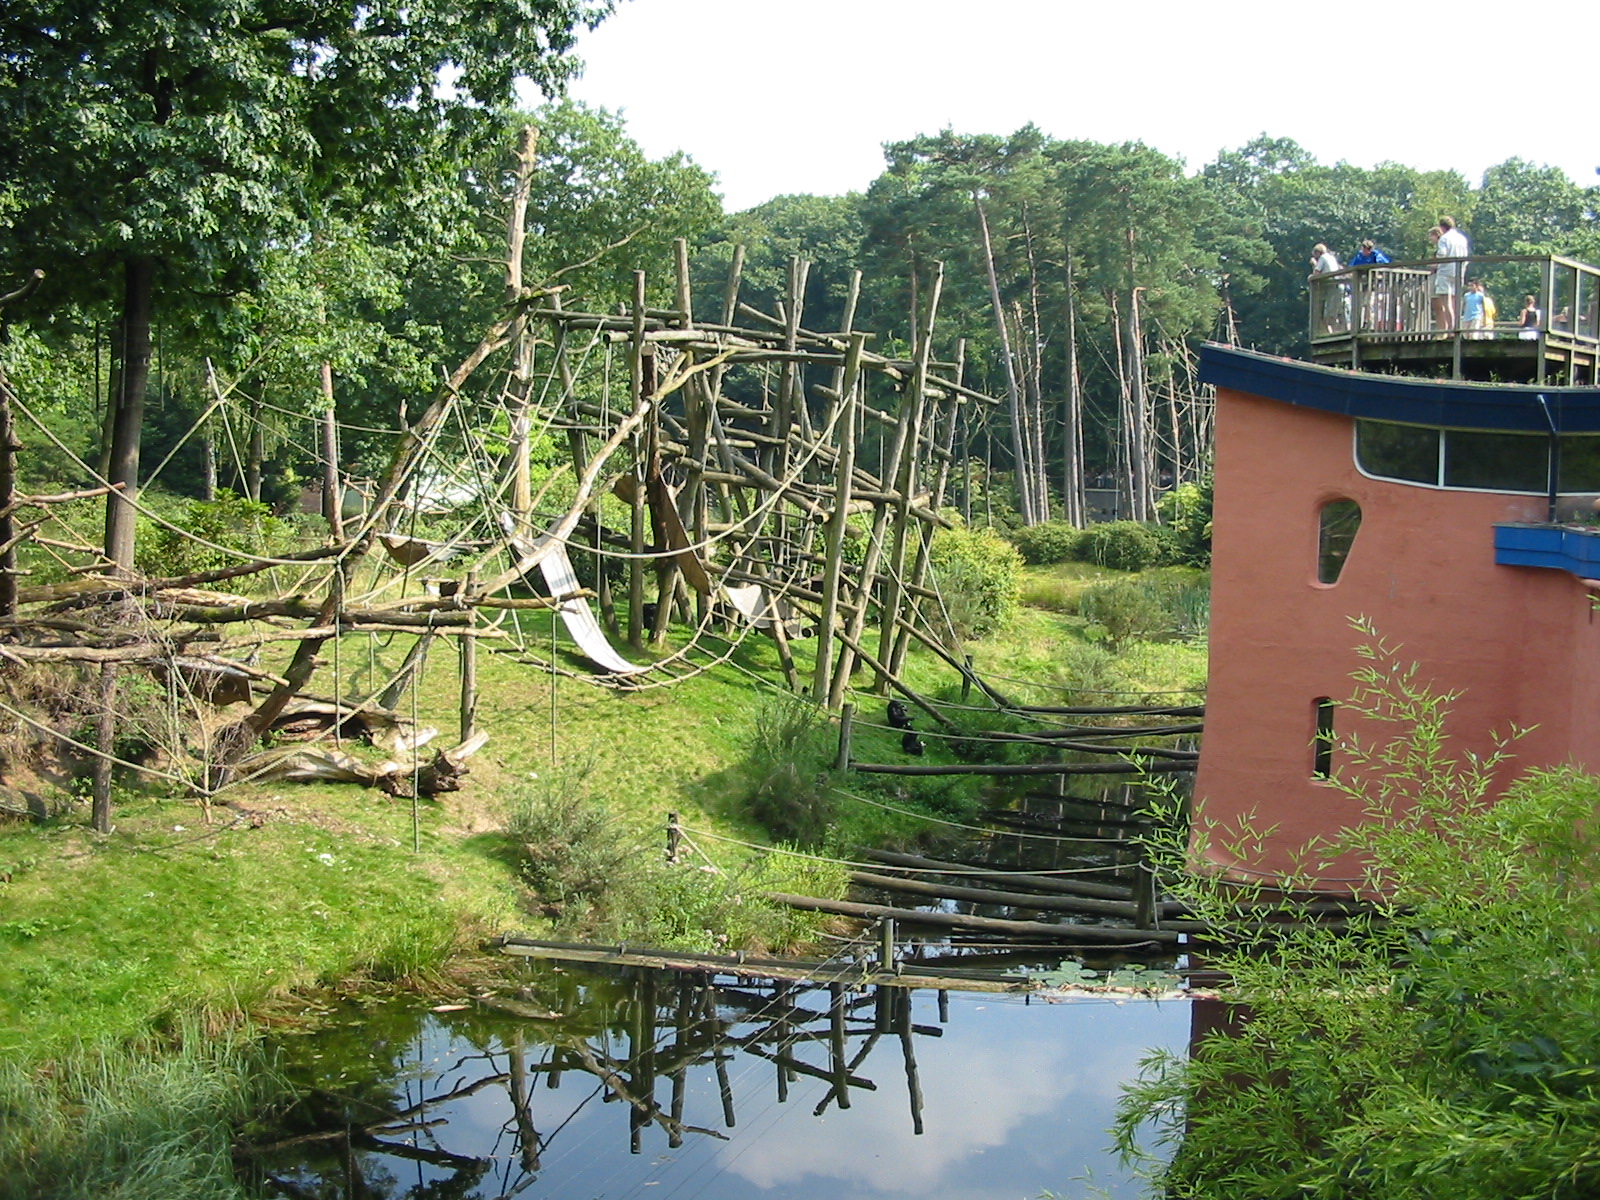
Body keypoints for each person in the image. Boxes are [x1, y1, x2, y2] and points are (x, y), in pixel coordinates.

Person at [1430, 217, 1470, 330]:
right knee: (1455, 302)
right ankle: (1458, 327)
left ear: (1442, 227)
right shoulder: (1462, 238)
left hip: (1445, 272)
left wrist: (1434, 263)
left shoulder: (1444, 238)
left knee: (1446, 302)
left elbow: (1442, 254)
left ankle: (1451, 330)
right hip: (1459, 271)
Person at [1349, 239, 1393, 328]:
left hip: (1373, 284)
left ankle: (1368, 323)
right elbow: (1351, 267)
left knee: (1368, 303)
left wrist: (1379, 274)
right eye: (1364, 249)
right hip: (1361, 283)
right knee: (1359, 304)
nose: (1365, 251)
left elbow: (1385, 265)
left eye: (1367, 249)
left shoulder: (1376, 255)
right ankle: (1358, 324)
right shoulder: (1359, 256)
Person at [1309, 243, 1345, 334]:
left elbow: (1316, 273)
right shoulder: (1331, 257)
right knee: (1335, 313)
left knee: (1329, 315)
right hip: (1338, 286)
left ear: (1318, 253)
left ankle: (1334, 333)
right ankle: (1334, 332)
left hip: (1332, 287)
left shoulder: (1322, 258)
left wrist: (1313, 267)